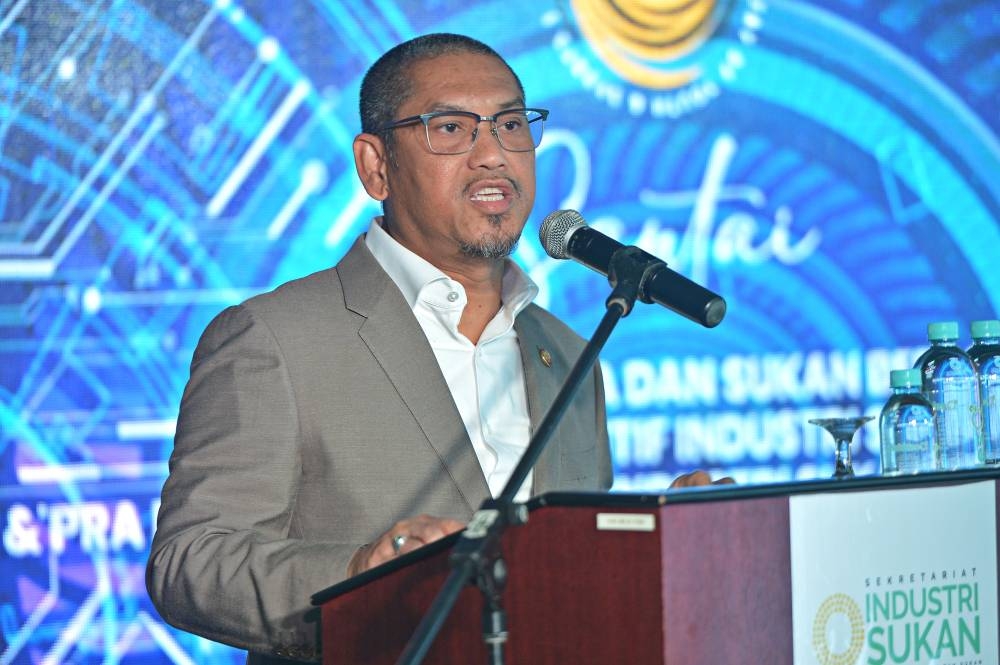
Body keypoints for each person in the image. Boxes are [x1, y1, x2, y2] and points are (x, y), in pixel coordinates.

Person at [146, 32, 721, 664]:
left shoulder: (569, 350)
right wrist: (364, 571)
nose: (493, 155)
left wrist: (657, 540)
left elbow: (557, 576)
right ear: (376, 166)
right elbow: (191, 562)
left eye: (509, 124)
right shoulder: (274, 339)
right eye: (450, 128)